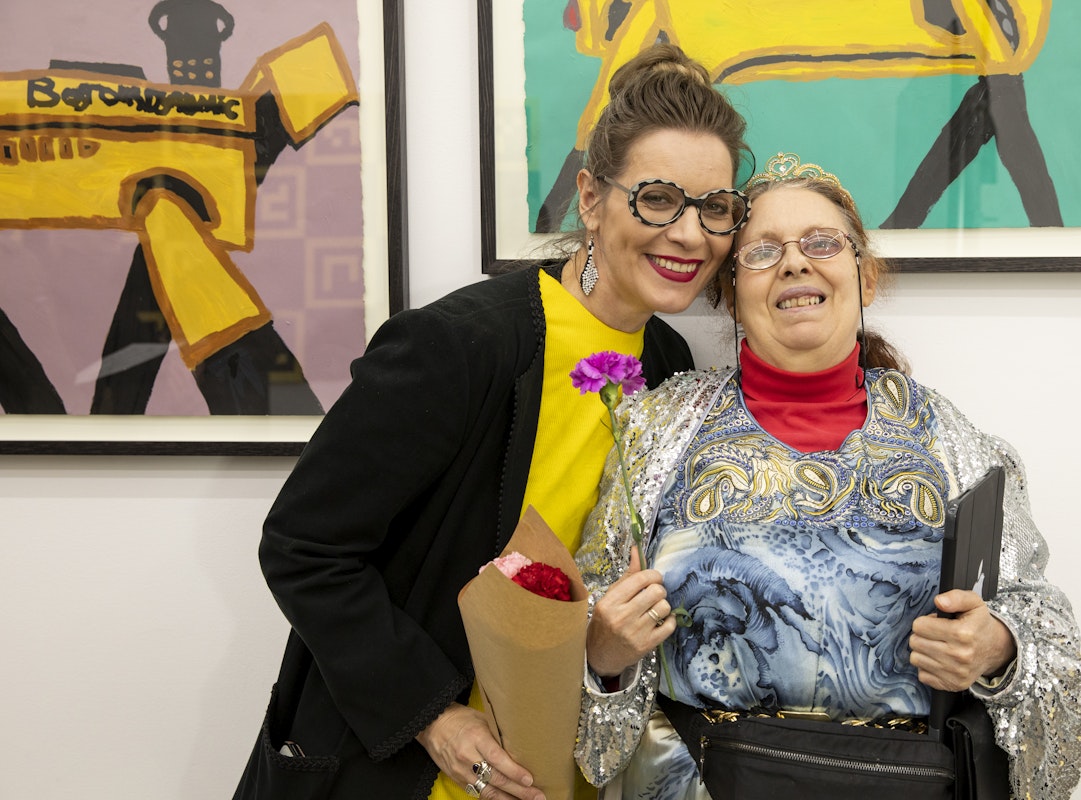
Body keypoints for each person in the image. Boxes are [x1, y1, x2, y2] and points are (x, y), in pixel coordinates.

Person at [232, 44, 751, 800]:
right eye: (658, 199)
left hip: (566, 770)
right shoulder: (462, 344)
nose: (690, 235)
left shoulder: (670, 365)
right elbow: (303, 546)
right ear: (591, 198)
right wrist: (433, 716)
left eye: (715, 209)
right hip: (417, 774)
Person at [574, 153, 1081, 800]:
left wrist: (1000, 647)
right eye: (762, 252)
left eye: (821, 243)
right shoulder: (654, 435)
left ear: (865, 278)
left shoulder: (951, 443)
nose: (794, 262)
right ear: (731, 295)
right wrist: (603, 656)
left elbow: (1046, 631)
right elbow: (582, 628)